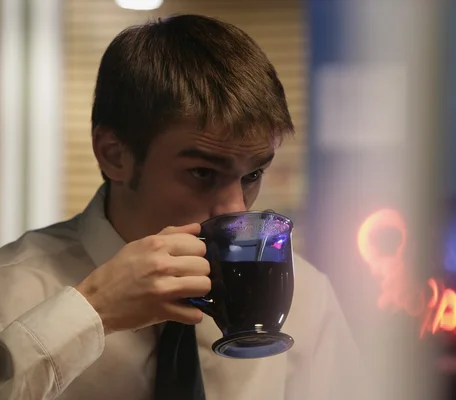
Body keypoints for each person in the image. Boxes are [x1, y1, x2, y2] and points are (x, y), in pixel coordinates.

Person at [0, 14, 360, 400]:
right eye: (203, 173)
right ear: (114, 155)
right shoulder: (12, 292)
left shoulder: (305, 298)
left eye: (253, 174)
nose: (235, 210)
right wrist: (93, 312)